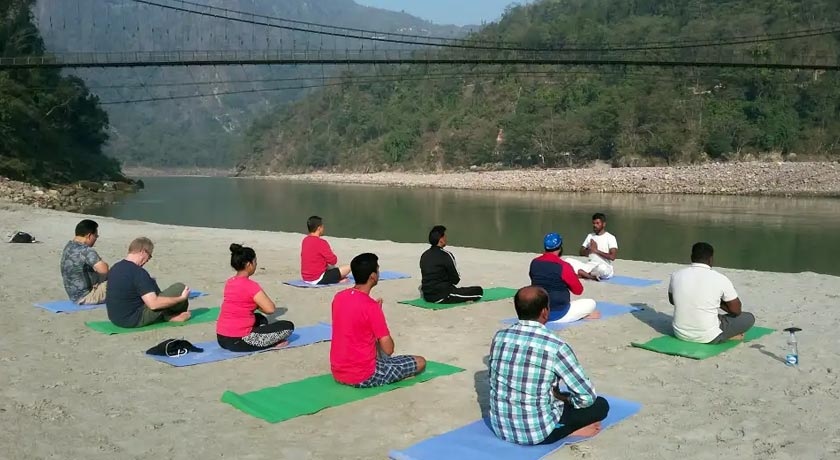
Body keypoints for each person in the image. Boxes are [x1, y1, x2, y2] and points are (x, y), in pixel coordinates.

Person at [489, 286, 610, 445]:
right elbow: (586, 397)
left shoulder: (500, 337)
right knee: (601, 405)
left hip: (501, 427)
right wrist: (565, 399)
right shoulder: (555, 346)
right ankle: (569, 431)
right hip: (536, 433)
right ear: (545, 312)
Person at [330, 253, 426, 388]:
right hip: (363, 375)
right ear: (373, 276)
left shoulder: (339, 298)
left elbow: (352, 324)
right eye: (378, 269)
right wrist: (377, 315)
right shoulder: (371, 307)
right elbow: (388, 349)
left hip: (338, 372)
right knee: (420, 362)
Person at [669, 242, 756, 344]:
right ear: (711, 259)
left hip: (680, 334)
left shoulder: (676, 275)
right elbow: (736, 311)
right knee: (749, 318)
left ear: (692, 257)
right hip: (708, 337)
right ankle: (726, 336)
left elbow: (672, 301)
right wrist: (718, 302)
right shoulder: (720, 278)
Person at [217, 244, 295, 352]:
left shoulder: (230, 282)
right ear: (249, 264)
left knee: (260, 318)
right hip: (239, 340)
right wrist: (257, 304)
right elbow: (270, 309)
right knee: (288, 326)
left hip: (221, 338)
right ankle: (272, 342)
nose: (256, 264)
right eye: (255, 262)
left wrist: (255, 305)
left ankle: (263, 336)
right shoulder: (250, 285)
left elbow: (242, 303)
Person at [105, 237, 191, 328]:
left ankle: (169, 314)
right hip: (133, 319)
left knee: (151, 283)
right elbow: (153, 304)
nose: (147, 260)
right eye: (149, 256)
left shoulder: (115, 267)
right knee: (180, 288)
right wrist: (181, 298)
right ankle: (172, 316)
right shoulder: (138, 272)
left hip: (115, 318)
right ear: (143, 252)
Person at [529, 233, 600, 323]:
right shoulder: (564, 266)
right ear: (560, 247)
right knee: (591, 303)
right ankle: (581, 316)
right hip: (559, 313)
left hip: (539, 313)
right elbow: (578, 290)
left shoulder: (534, 263)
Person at [420, 225, 483, 303]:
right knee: (478, 291)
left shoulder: (424, 255)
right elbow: (456, 279)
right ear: (441, 240)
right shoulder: (446, 255)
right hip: (442, 295)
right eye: (444, 236)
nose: (446, 238)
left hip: (427, 296)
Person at [60, 219, 109, 304]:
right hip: (86, 297)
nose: (96, 239)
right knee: (121, 278)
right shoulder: (86, 250)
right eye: (96, 236)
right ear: (89, 235)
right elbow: (104, 270)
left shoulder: (68, 246)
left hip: (74, 296)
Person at [565, 213, 618, 281]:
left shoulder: (610, 237)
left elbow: (612, 257)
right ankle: (590, 276)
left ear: (603, 224)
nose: (595, 225)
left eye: (597, 223)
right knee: (567, 261)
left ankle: (583, 274)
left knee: (602, 268)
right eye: (593, 223)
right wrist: (589, 250)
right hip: (590, 266)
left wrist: (596, 251)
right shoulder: (590, 236)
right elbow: (581, 252)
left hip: (604, 266)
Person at [300, 216, 351, 285]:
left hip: (306, 278)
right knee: (349, 267)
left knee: (330, 267)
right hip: (317, 279)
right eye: (322, 227)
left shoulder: (305, 240)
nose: (323, 229)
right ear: (319, 228)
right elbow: (333, 261)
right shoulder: (321, 242)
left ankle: (338, 279)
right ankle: (338, 280)